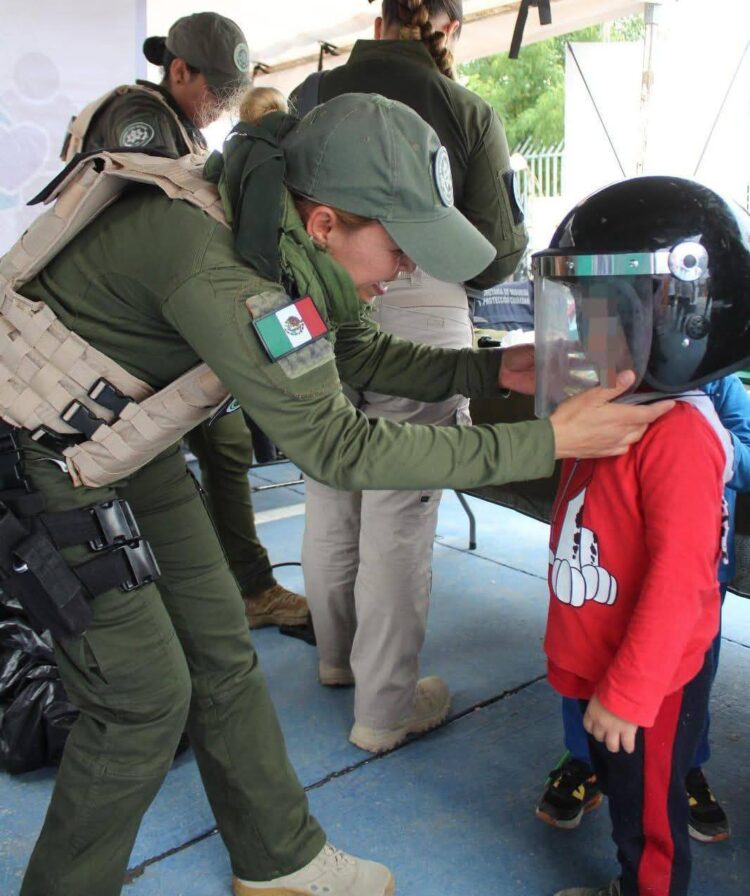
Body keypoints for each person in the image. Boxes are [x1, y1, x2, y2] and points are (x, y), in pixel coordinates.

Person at [1, 93, 671, 896]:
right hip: (35, 458)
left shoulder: (274, 240)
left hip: (119, 449)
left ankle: (277, 858)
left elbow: (355, 352)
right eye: (399, 246)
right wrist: (548, 442)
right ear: (324, 224)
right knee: (142, 703)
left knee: (220, 648)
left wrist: (491, 370)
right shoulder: (228, 274)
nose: (410, 269)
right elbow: (338, 446)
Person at [293, 0, 529, 753]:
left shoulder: (309, 99)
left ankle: (337, 659)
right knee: (398, 505)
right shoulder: (463, 107)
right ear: (448, 27)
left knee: (330, 487)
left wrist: (487, 367)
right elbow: (496, 250)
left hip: (317, 297)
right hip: (426, 300)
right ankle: (384, 706)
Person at [530, 175, 750, 896]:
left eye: (600, 312)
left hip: (644, 689)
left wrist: (629, 693)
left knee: (648, 823)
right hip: (608, 670)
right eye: (578, 311)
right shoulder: (611, 411)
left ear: (675, 311)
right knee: (627, 799)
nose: (581, 332)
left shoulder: (680, 435)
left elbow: (684, 586)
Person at [61, 11, 308, 629]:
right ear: (179, 70)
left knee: (220, 453)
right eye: (218, 92)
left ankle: (243, 588)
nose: (223, 107)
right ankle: (219, 595)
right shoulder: (137, 126)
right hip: (135, 343)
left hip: (177, 336)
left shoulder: (175, 128)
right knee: (169, 468)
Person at [536, 373, 750, 843]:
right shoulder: (608, 383)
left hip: (693, 585)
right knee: (589, 674)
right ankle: (585, 759)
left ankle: (685, 768)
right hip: (608, 578)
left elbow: (747, 459)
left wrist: (721, 445)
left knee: (681, 687)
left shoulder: (718, 392)